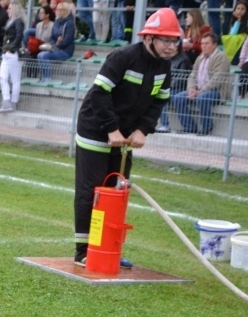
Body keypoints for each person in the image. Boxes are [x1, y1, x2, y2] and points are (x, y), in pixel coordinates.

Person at [73, 8, 177, 267]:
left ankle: (108, 248)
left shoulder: (165, 67)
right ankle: (84, 251)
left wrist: (143, 130)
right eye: (166, 40)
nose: (171, 46)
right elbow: (99, 94)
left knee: (116, 192)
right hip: (96, 131)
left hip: (125, 136)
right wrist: (111, 129)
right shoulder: (123, 57)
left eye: (175, 40)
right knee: (91, 192)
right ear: (149, 38)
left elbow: (158, 103)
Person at [172, 32, 230, 135]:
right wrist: (191, 89)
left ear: (215, 44)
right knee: (177, 98)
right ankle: (189, 127)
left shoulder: (221, 57)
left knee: (202, 98)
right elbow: (192, 75)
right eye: (202, 43)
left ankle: (207, 127)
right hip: (198, 89)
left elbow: (217, 79)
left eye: (207, 43)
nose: (203, 46)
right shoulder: (200, 57)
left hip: (216, 91)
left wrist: (200, 92)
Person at [37, 1, 75, 82]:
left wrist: (58, 44)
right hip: (56, 48)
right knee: (39, 55)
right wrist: (54, 44)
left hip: (66, 51)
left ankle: (48, 78)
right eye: (58, 10)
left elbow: (67, 40)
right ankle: (43, 77)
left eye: (61, 10)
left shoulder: (69, 23)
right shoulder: (56, 21)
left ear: (66, 11)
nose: (59, 11)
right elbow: (52, 37)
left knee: (44, 56)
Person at [0, 2, 25, 112]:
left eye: (10, 8)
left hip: (12, 53)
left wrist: (11, 48)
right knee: (3, 77)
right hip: (8, 52)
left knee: (14, 80)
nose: (8, 10)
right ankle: (8, 101)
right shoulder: (12, 22)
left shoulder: (18, 21)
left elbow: (19, 36)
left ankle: (10, 102)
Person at [223, 0, 248, 65]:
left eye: (242, 9)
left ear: (246, 11)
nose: (240, 11)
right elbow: (232, 35)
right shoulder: (234, 20)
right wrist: (238, 21)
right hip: (237, 44)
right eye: (238, 9)